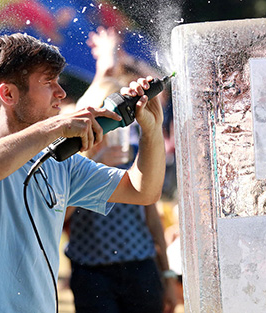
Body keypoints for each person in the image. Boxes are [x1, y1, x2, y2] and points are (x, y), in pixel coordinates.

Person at [0, 32, 165, 313]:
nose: (62, 93)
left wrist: (151, 132)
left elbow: (143, 190)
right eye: (48, 83)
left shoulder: (60, 160)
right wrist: (57, 126)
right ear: (7, 93)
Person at [64, 26, 176, 313]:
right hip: (92, 269)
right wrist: (97, 163)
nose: (117, 119)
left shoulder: (138, 150)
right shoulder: (74, 159)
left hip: (140, 264)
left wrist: (164, 274)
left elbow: (151, 213)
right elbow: (60, 212)